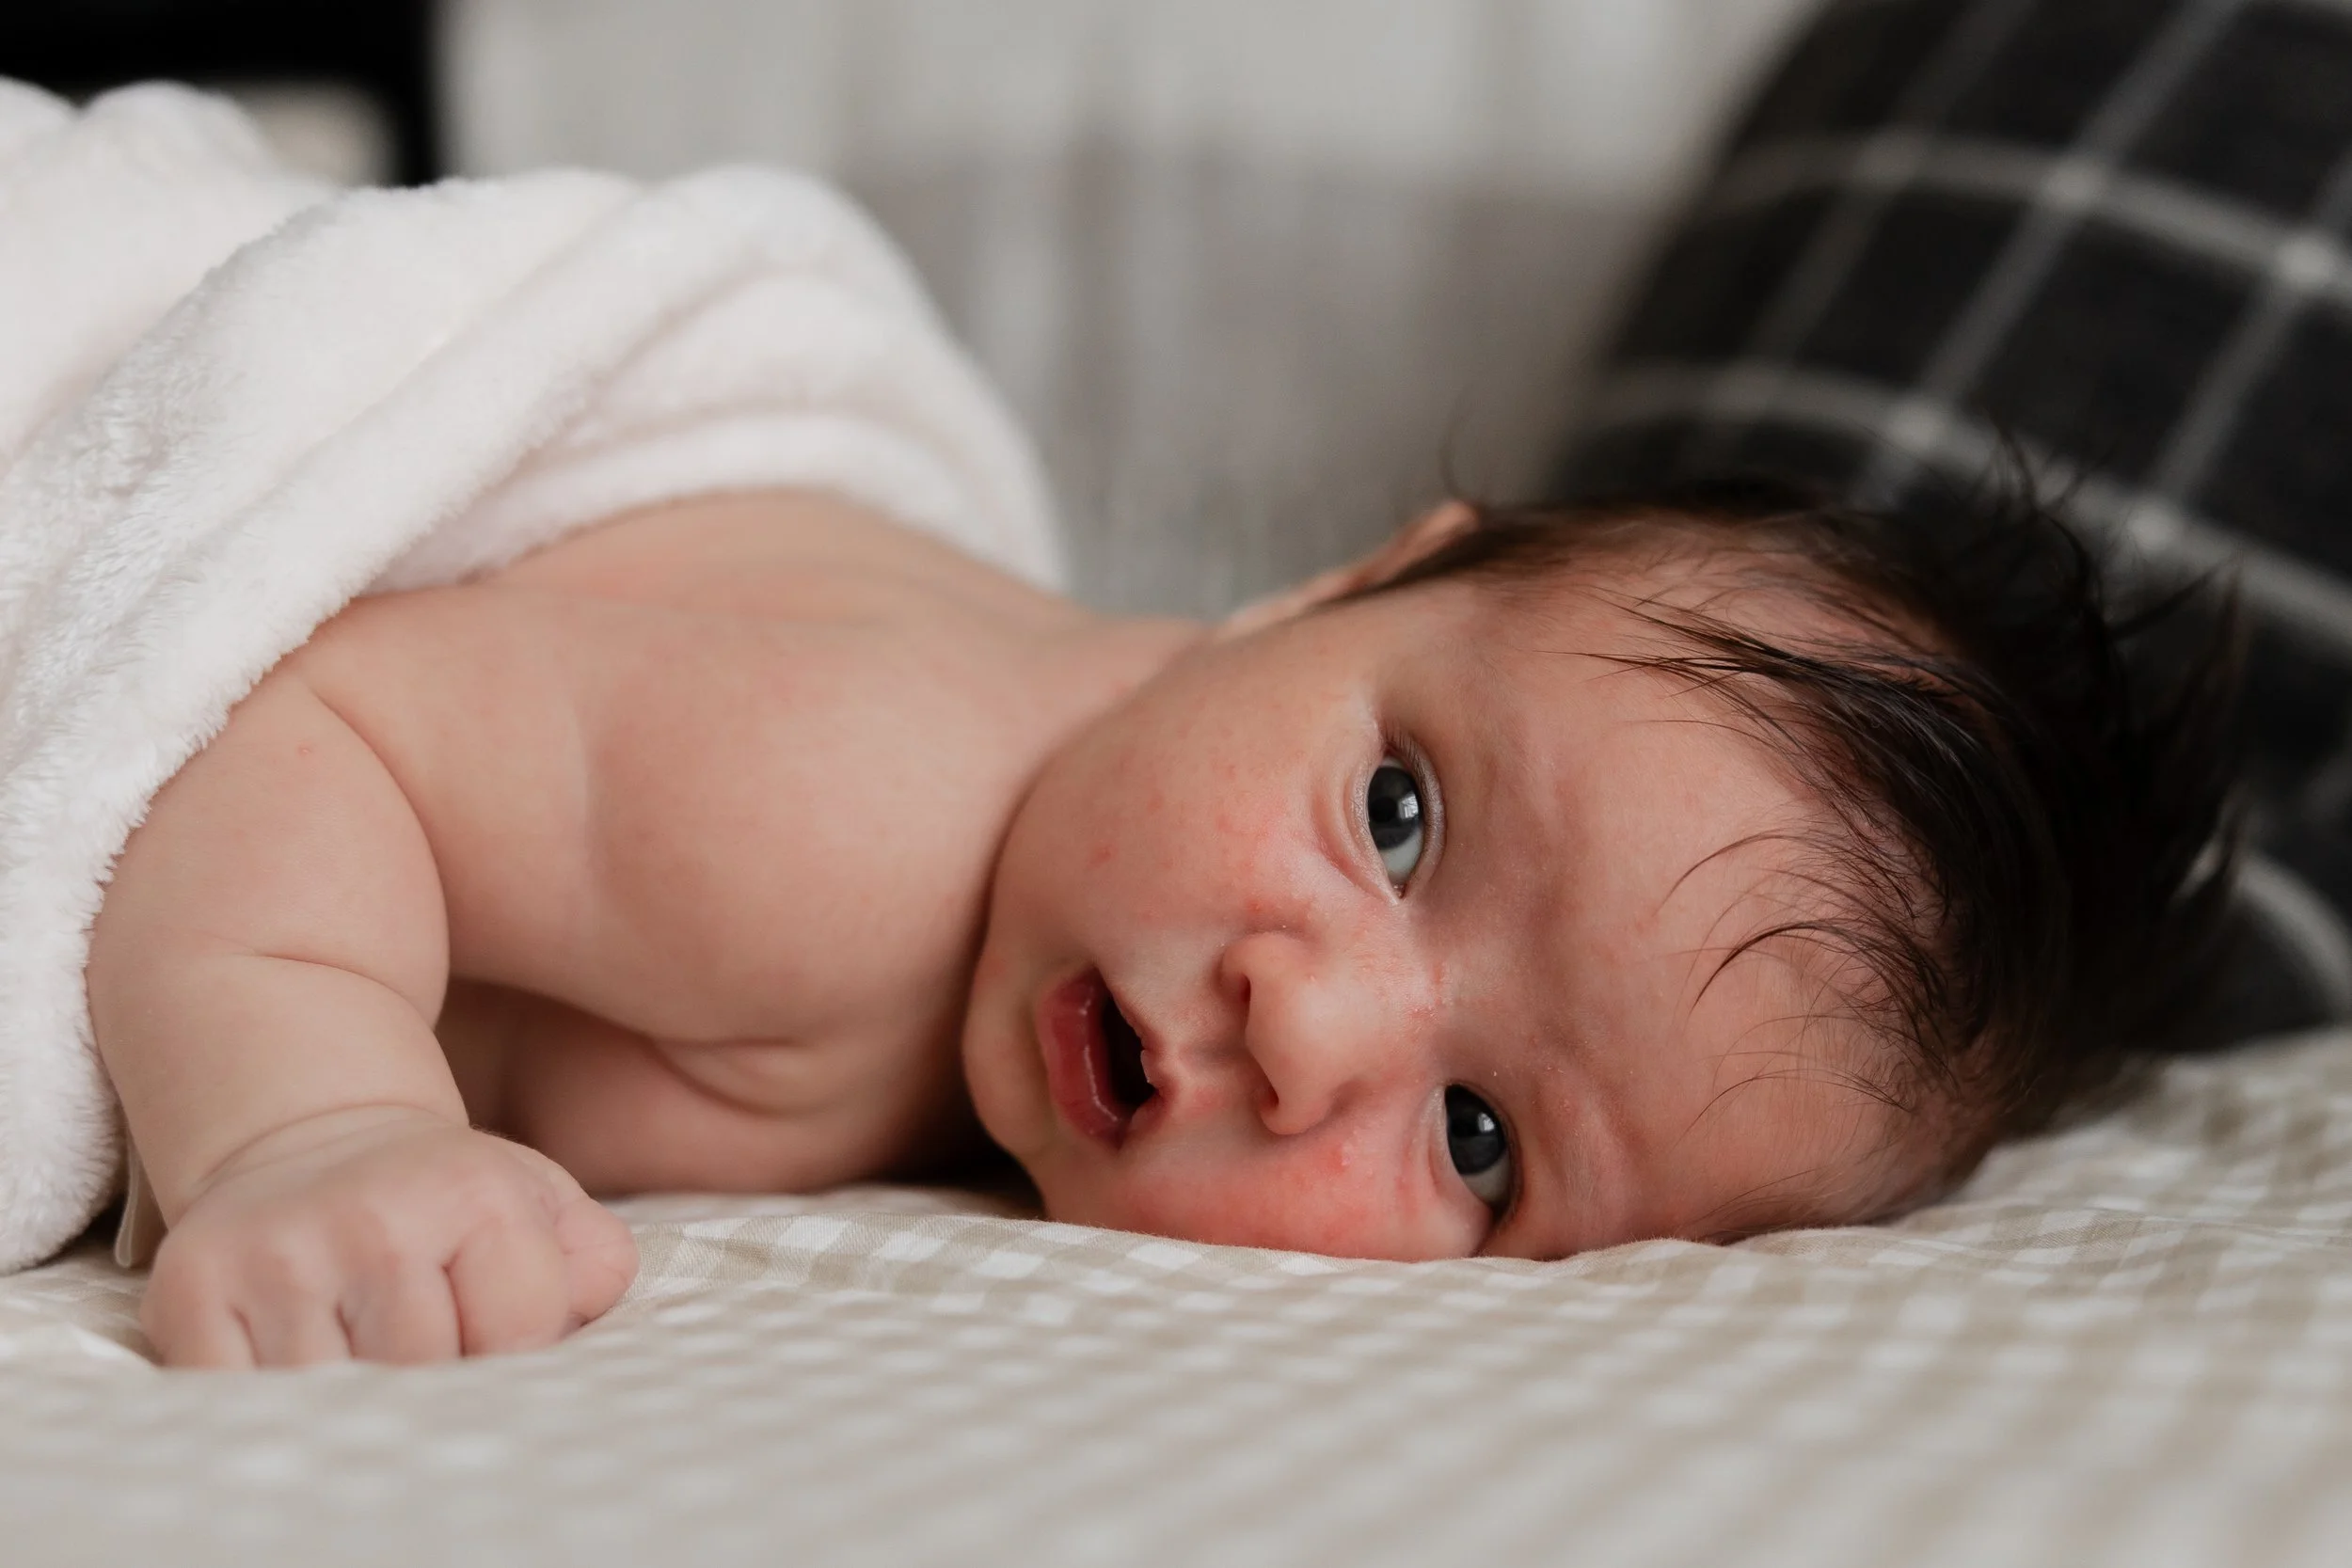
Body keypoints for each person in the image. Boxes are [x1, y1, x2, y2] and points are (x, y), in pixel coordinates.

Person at [84, 464, 2238, 1368]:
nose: (1306, 1026)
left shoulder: (1051, 939)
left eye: (1475, 1140)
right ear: (1335, 587)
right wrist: (308, 1123)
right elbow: (307, 723)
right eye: (1395, 814)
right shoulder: (844, 815)